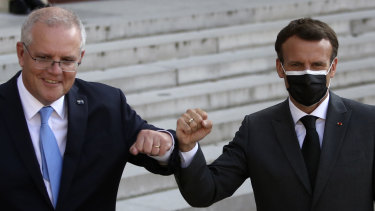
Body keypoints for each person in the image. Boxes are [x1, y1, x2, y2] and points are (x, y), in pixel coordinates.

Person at [175, 18, 375, 211]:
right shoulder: (256, 128)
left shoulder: (368, 122)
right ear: (280, 67)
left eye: (317, 65)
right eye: (296, 65)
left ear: (333, 67)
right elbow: (205, 192)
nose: (307, 74)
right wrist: (188, 147)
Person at [0, 7, 179, 210]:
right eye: (43, 58)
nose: (55, 70)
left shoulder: (108, 105)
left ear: (80, 57)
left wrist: (164, 142)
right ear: (21, 53)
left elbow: (160, 151)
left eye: (67, 60)